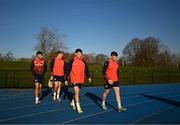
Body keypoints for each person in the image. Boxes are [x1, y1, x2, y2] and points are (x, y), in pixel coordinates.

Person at [67, 48, 92, 113]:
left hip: (81, 79)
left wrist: (89, 77)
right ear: (75, 54)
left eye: (81, 54)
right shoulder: (71, 61)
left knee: (76, 93)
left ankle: (72, 102)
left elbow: (86, 70)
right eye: (78, 54)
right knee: (77, 92)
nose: (80, 55)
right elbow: (67, 70)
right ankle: (78, 107)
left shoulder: (83, 62)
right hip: (74, 79)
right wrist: (66, 79)